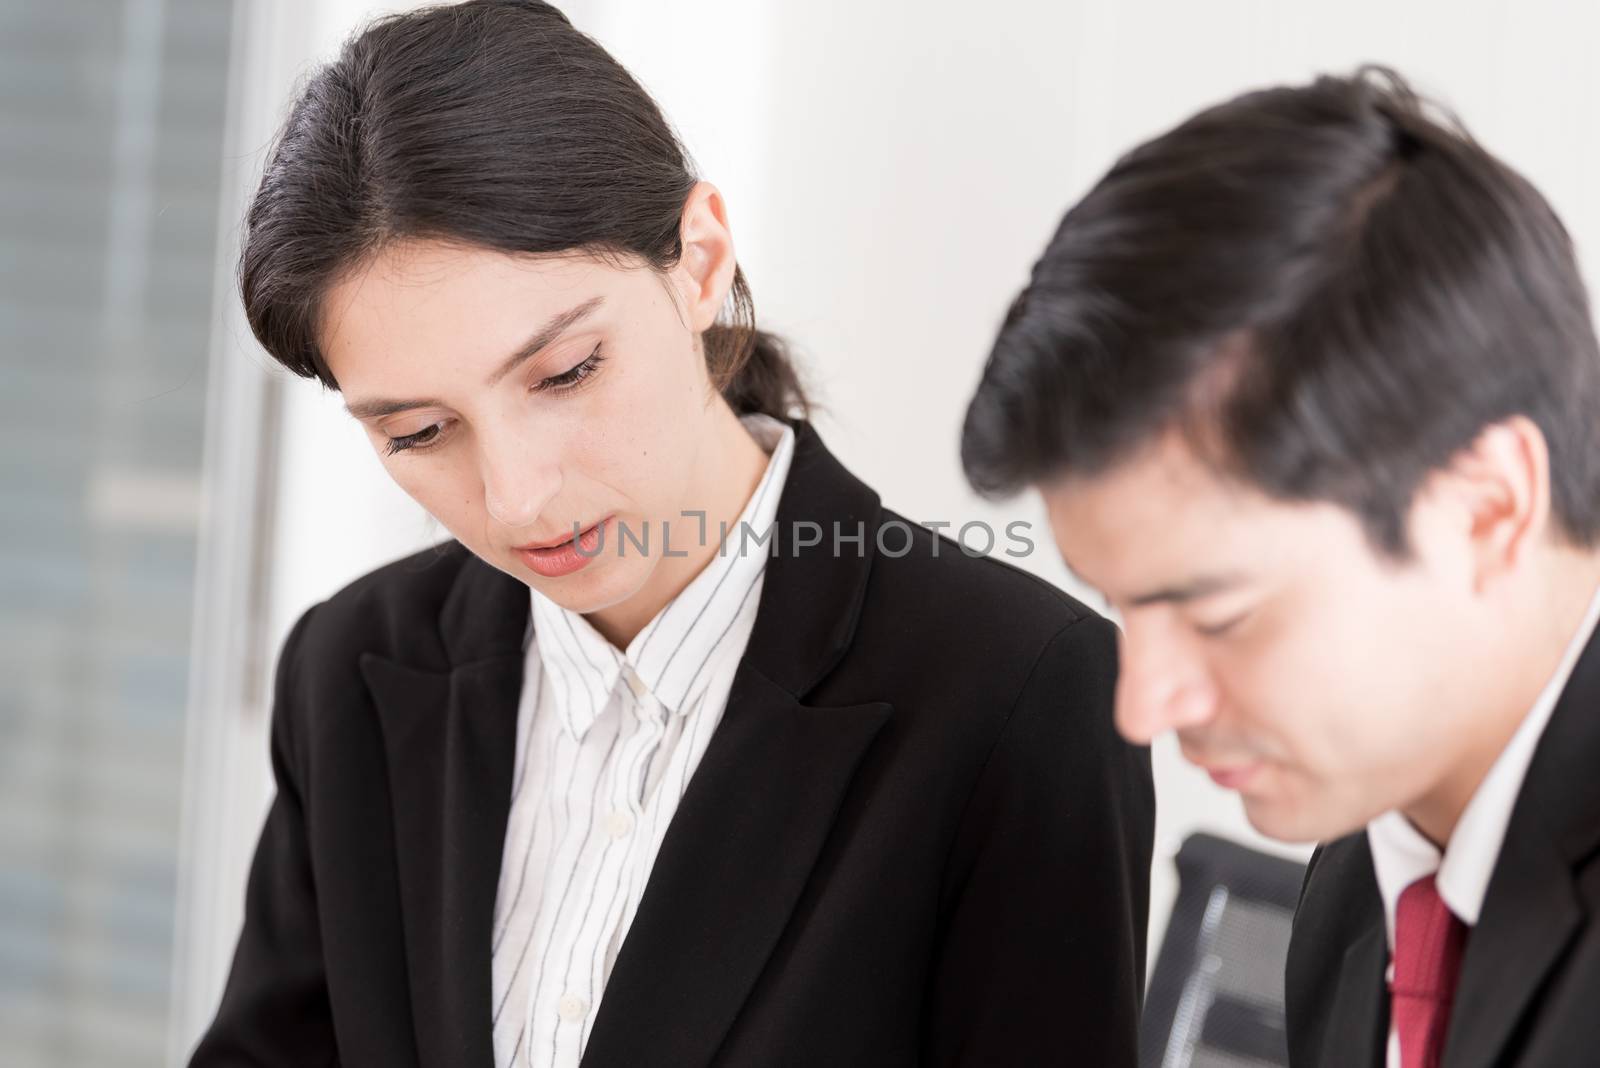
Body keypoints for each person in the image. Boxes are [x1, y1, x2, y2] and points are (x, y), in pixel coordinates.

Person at [188, 2, 1155, 1066]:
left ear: (698, 262)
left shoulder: (1017, 692)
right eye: (419, 432)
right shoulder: (350, 674)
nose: (516, 499)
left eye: (565, 373)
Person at [961, 67, 1600, 1068]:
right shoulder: (1355, 883)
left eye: (1217, 614)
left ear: (1487, 508)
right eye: (1122, 608)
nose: (1143, 709)